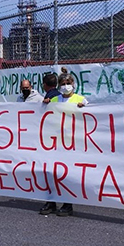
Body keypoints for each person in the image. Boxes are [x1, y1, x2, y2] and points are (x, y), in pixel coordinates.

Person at [39, 68, 88, 217]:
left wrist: (83, 108)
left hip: (72, 142)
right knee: (51, 172)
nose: (66, 86)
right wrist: (44, 103)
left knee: (67, 173)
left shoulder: (81, 99)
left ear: (73, 84)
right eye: (63, 83)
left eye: (68, 83)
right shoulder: (55, 100)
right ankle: (51, 202)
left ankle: (67, 203)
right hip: (55, 142)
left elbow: (91, 116)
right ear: (59, 85)